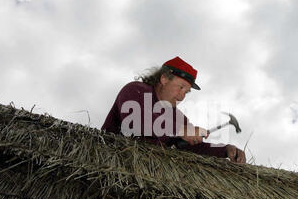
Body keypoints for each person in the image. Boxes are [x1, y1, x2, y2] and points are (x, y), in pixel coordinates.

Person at [101, 56, 246, 163]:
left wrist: (225, 149)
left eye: (186, 92)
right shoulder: (135, 90)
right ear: (164, 79)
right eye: (181, 87)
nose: (182, 96)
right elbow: (138, 123)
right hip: (110, 159)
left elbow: (194, 147)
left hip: (147, 168)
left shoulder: (178, 118)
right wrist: (182, 131)